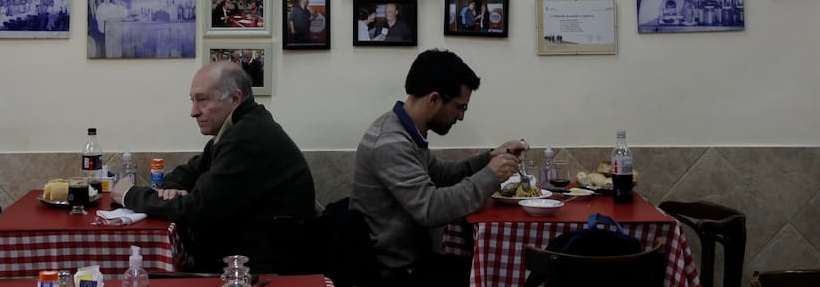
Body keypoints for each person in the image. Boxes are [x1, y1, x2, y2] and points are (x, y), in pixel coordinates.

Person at [112, 61, 315, 274]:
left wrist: (129, 195)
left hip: (262, 269)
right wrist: (168, 189)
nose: (193, 112)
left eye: (202, 100)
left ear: (235, 98)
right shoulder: (238, 127)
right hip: (246, 256)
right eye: (192, 100)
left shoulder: (248, 137)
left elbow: (196, 209)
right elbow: (188, 172)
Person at [351, 49, 525, 286]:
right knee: (499, 276)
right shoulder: (391, 142)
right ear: (434, 99)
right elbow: (431, 209)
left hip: (414, 263)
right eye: (460, 107)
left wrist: (489, 158)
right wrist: (490, 175)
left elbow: (441, 175)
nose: (461, 117)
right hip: (394, 274)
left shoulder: (406, 130)